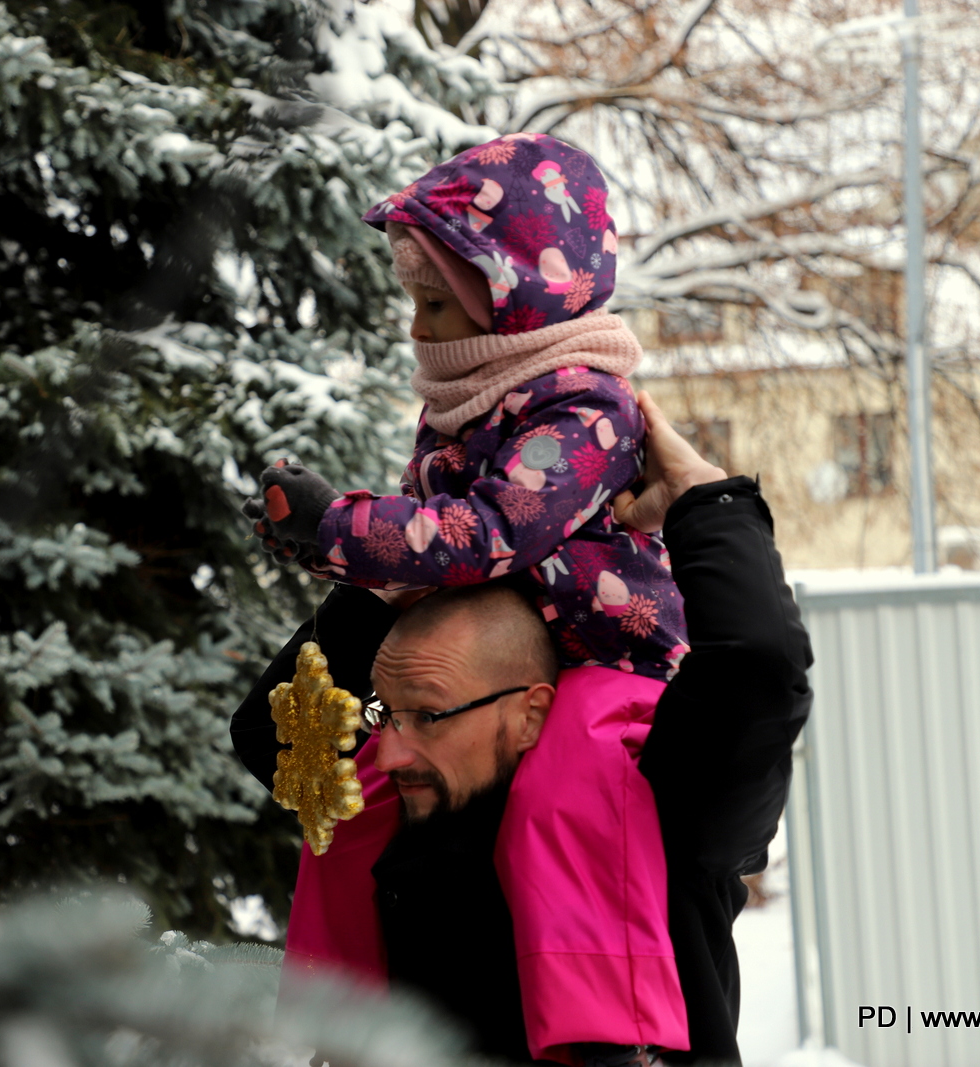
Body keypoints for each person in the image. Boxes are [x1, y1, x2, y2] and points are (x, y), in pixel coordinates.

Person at [241, 133, 691, 1062]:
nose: (418, 327)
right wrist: (330, 548)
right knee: (355, 795)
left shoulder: (585, 406)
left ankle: (607, 1031)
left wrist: (338, 527)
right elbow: (436, 553)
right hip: (501, 651)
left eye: (438, 303)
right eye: (414, 302)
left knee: (567, 795)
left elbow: (491, 532)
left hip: (609, 663)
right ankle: (342, 1023)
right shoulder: (463, 399)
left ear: (515, 298)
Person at [233, 398, 814, 1065]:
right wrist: (385, 580)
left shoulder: (661, 810)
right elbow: (269, 732)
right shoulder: (392, 800)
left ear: (531, 710)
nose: (385, 748)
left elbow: (759, 668)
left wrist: (704, 497)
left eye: (427, 713)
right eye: (383, 713)